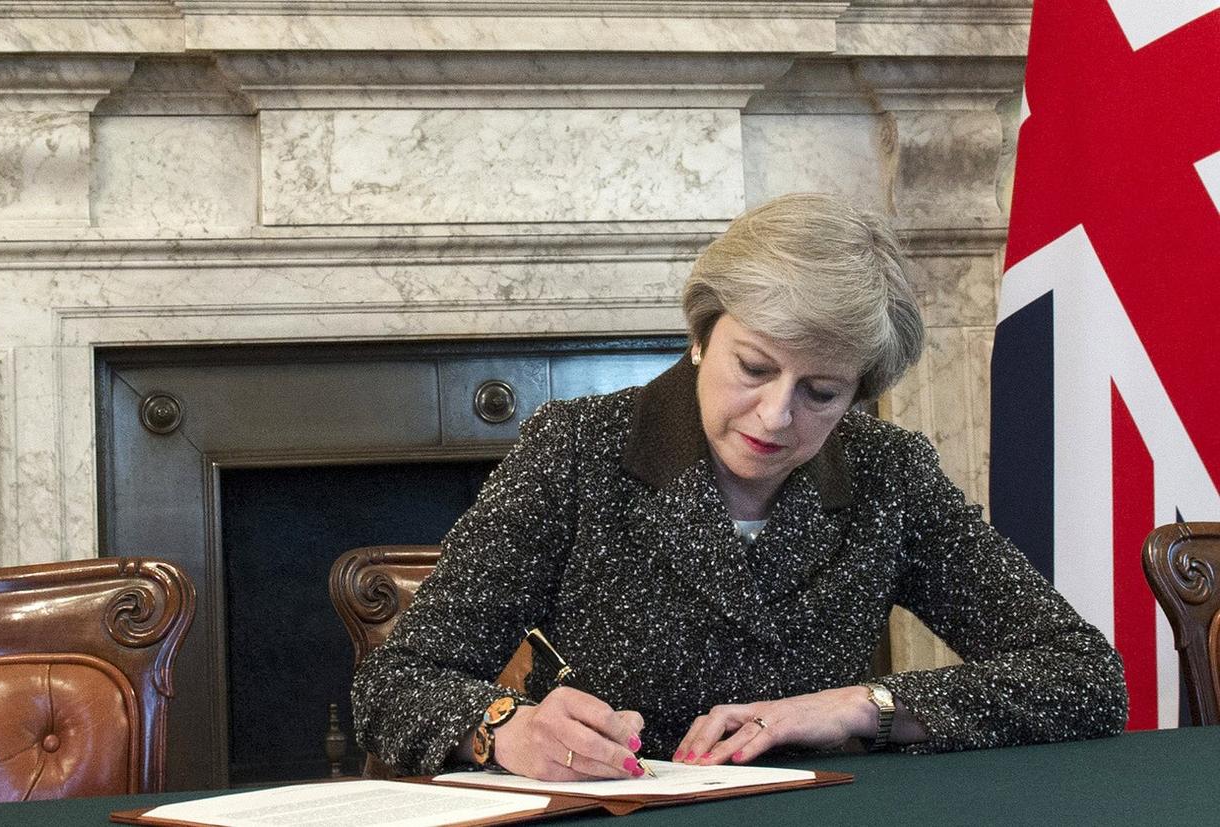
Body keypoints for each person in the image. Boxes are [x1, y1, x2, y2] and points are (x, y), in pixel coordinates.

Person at [352, 193, 1128, 780]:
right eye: (753, 367)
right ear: (701, 334)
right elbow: (396, 681)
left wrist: (862, 705)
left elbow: (1084, 676)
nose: (774, 413)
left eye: (820, 391)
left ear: (857, 393)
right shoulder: (577, 449)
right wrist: (506, 725)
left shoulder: (888, 473)